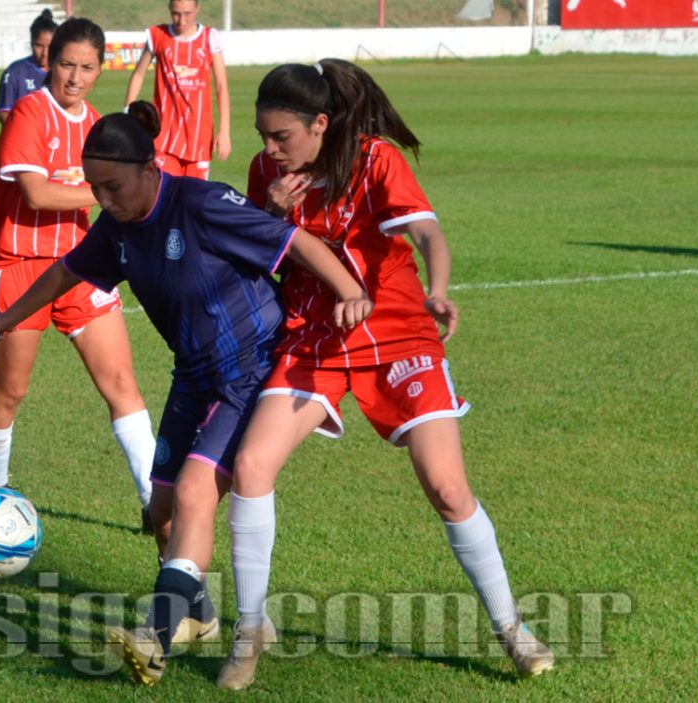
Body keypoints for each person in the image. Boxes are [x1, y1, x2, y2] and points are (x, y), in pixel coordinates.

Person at [0, 102, 371, 687]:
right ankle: (198, 614)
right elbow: (65, 271)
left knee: (196, 493)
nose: (103, 199)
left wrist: (350, 291)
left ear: (150, 169)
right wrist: (6, 317)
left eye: (114, 186)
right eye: (95, 187)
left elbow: (295, 241)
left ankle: (154, 636)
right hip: (193, 378)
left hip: (249, 371)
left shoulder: (200, 203)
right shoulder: (117, 227)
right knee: (160, 512)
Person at [215, 59, 557, 689]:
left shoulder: (375, 159)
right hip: (315, 335)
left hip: (397, 332)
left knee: (447, 487)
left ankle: (512, 628)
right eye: (263, 136)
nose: (270, 149)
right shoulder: (268, 172)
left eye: (281, 136)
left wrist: (439, 289)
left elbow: (426, 232)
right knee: (251, 467)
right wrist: (268, 209)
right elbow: (259, 255)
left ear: (320, 124)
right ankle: (250, 630)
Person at [0, 19, 156, 530]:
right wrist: (109, 191)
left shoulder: (96, 125)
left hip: (79, 265)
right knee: (10, 392)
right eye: (67, 64)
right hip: (16, 264)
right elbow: (37, 194)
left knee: (121, 382)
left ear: (100, 70)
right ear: (50, 62)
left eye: (87, 67)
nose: (75, 77)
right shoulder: (29, 112)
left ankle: (155, 504)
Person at [123, 0, 230, 180]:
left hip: (199, 137)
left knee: (193, 195)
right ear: (170, 10)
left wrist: (224, 130)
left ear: (197, 9)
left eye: (187, 14)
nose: (181, 20)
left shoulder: (210, 38)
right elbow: (139, 74)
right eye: (176, 14)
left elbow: (221, 85)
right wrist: (127, 111)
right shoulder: (158, 35)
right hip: (164, 137)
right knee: (165, 192)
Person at [0, 9, 57, 125]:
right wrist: (22, 131)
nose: (45, 53)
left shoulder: (61, 72)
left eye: (50, 46)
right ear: (31, 43)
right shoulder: (14, 71)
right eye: (39, 46)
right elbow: (3, 111)